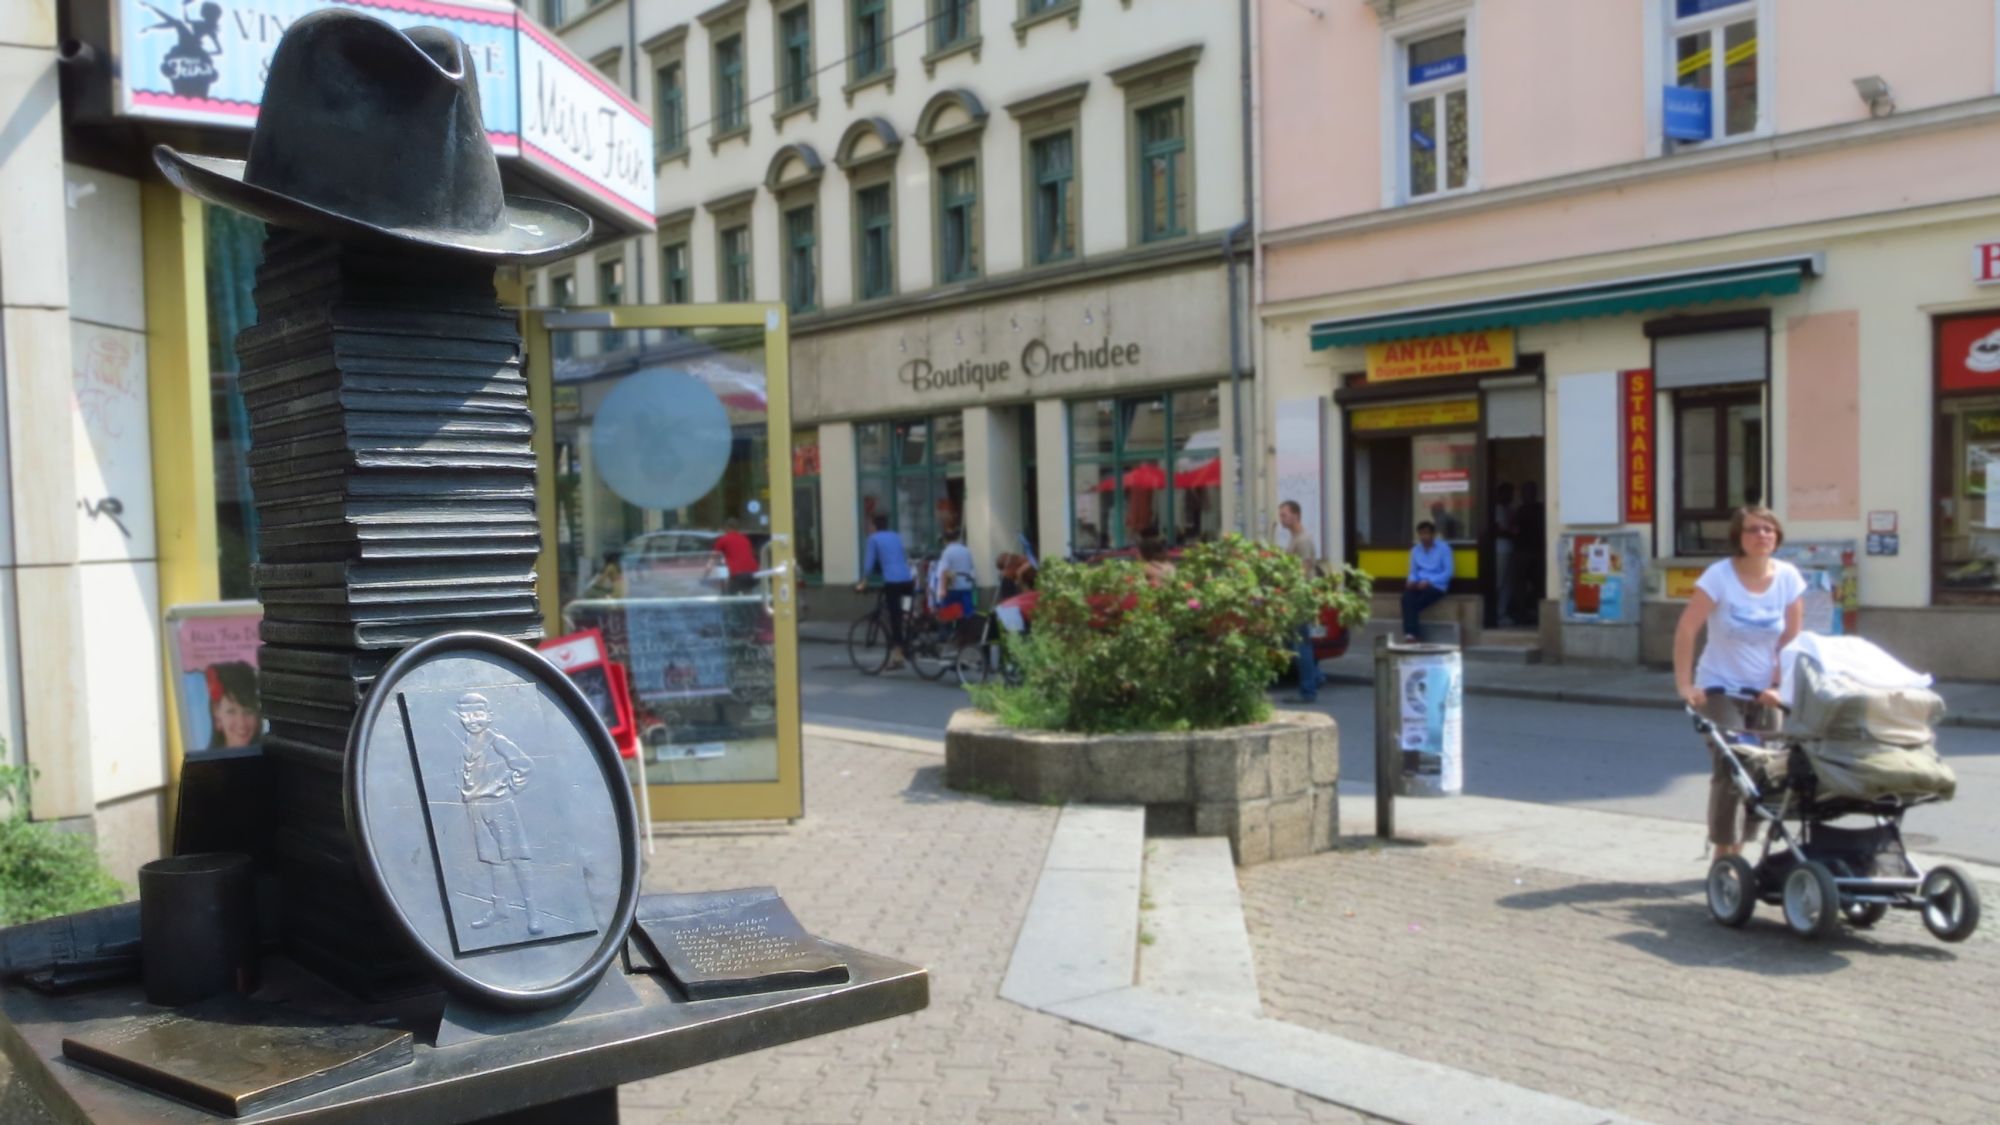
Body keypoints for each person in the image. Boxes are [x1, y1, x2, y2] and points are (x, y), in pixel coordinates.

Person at [1673, 505, 1805, 859]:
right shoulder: (1719, 576)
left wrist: (1778, 686)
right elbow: (1687, 629)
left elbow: (1791, 639)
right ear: (1738, 537)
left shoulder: (1788, 577)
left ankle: (1740, 852)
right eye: (1753, 530)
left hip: (1765, 692)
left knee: (1764, 773)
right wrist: (1686, 686)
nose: (1762, 535)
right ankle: (1722, 854)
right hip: (1719, 687)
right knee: (1731, 766)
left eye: (1768, 529)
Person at [454, 691, 543, 935]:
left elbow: (524, 765)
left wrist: (509, 787)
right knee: (494, 861)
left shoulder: (496, 740)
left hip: (500, 805)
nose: (473, 719)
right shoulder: (463, 743)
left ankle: (533, 913)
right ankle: (500, 909)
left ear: (489, 715)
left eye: (478, 714)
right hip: (475, 807)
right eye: (467, 715)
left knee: (516, 858)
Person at [856, 514, 915, 669]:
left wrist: (864, 580)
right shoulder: (896, 536)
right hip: (907, 581)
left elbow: (869, 563)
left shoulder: (873, 539)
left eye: (870, 525)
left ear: (875, 526)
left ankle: (898, 655)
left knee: (895, 617)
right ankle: (910, 638)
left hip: (893, 583)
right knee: (906, 613)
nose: (869, 528)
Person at [1277, 500, 1323, 704]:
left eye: (1284, 514)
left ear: (1295, 515)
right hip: (1295, 596)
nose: (1281, 518)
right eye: (1281, 514)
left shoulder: (1303, 540)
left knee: (1301, 644)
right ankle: (1317, 677)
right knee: (1292, 641)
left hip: (1300, 597)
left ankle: (1308, 690)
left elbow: (1303, 569)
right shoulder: (1295, 538)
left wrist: (1285, 583)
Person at [1402, 521, 1454, 641]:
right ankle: (1411, 635)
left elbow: (1448, 572)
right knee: (1406, 597)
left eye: (1426, 533)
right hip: (1419, 584)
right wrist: (1411, 581)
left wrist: (1429, 581)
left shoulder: (1444, 548)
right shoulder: (1415, 550)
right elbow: (1413, 572)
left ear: (1433, 534)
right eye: (1421, 534)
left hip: (1437, 585)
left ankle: (1411, 635)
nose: (1424, 537)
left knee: (1411, 605)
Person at [205, 661, 261, 749]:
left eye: (248, 711)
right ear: (217, 715)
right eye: (231, 711)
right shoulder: (204, 762)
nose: (241, 722)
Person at [1491, 483, 1520, 626]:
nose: (1510, 496)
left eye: (1511, 493)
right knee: (1499, 581)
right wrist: (1511, 532)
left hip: (1509, 549)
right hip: (1500, 549)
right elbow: (1496, 530)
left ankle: (1502, 613)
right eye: (1507, 493)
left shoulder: (1509, 509)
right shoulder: (1496, 509)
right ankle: (1495, 614)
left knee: (1508, 583)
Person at [936, 528, 978, 622]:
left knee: (950, 614)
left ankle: (951, 632)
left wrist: (942, 589)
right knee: (967, 613)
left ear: (945, 540)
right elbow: (971, 567)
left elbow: (944, 571)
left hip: (953, 586)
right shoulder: (966, 550)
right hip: (966, 585)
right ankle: (967, 632)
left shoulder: (947, 552)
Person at [713, 518, 758, 595]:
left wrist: (704, 575)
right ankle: (753, 606)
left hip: (737, 575)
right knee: (747, 592)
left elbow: (712, 559)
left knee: (729, 595)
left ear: (726, 528)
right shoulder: (745, 539)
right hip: (754, 574)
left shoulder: (723, 539)